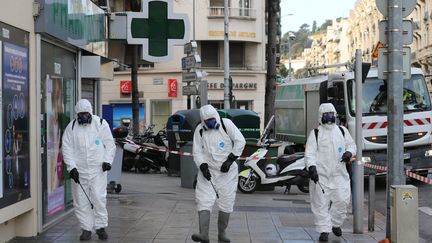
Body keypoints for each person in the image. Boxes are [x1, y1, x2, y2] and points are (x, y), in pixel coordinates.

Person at [62, 99, 116, 241]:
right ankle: (86, 228)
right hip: (80, 171)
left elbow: (110, 144)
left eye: (86, 114)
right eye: (81, 114)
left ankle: (101, 227)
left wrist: (107, 161)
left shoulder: (100, 124)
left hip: (98, 170)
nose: (84, 117)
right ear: (77, 114)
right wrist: (71, 167)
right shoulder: (71, 128)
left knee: (98, 198)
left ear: (90, 112)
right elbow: (67, 149)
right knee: (80, 200)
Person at [192, 105, 246, 243]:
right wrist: (202, 166)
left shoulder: (226, 124)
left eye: (212, 119)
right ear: (203, 120)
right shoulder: (199, 130)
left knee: (226, 202)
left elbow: (240, 141)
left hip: (227, 173)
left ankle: (222, 234)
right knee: (203, 200)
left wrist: (230, 159)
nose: (210, 122)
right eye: (207, 120)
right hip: (208, 172)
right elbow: (197, 151)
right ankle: (203, 234)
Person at [304, 103, 356, 242]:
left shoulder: (342, 131)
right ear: (321, 116)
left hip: (340, 175)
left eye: (331, 114)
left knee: (342, 201)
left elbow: (352, 145)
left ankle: (335, 223)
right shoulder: (315, 133)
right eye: (326, 114)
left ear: (335, 115)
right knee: (320, 204)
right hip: (321, 176)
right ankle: (324, 231)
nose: (329, 117)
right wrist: (312, 167)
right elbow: (310, 153)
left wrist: (349, 153)